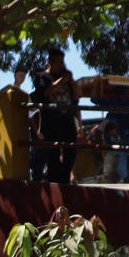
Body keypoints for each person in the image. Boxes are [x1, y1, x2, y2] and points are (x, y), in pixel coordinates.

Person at [31, 50, 80, 182]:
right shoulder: (41, 77)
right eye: (58, 62)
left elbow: (77, 95)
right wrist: (60, 81)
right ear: (50, 62)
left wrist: (72, 80)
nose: (61, 65)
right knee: (52, 155)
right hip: (51, 123)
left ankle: (65, 180)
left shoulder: (67, 78)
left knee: (71, 151)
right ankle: (54, 182)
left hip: (68, 122)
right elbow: (45, 92)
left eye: (62, 61)